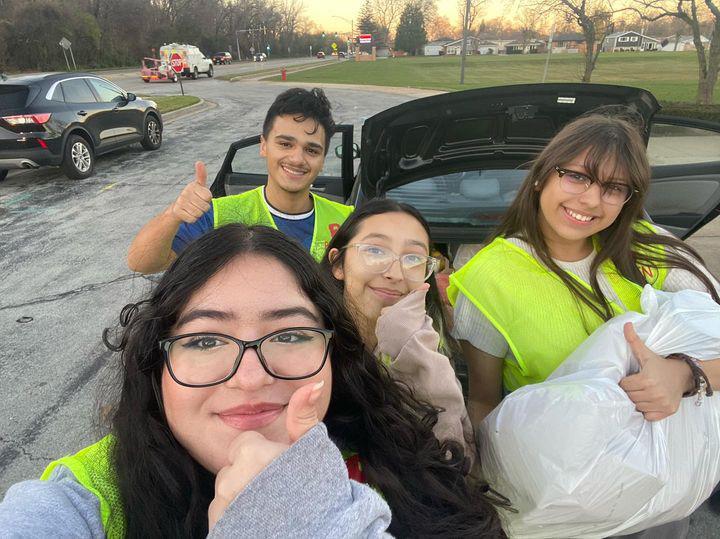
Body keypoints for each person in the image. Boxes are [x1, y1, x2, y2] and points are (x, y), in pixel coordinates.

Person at [0, 224, 504, 538]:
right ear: (156, 365)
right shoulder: (77, 505)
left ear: (336, 354)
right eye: (204, 340)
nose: (250, 377)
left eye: (289, 335)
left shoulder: (402, 458)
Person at [448, 113, 720, 537]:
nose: (592, 200)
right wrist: (491, 497)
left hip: (665, 491)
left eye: (613, 188)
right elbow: (484, 401)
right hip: (563, 496)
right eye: (577, 176)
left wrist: (686, 374)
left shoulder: (654, 251)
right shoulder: (488, 278)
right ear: (542, 176)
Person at [127, 87, 353, 272]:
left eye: (312, 150)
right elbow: (141, 263)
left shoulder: (347, 220)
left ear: (323, 159)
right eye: (285, 144)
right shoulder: (218, 215)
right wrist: (173, 214)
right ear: (263, 146)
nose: (297, 159)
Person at [322, 199, 473, 456]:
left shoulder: (429, 343)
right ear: (338, 264)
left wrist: (417, 356)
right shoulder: (311, 350)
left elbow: (453, 453)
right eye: (375, 251)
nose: (395, 273)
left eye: (413, 258)